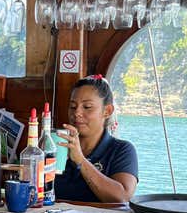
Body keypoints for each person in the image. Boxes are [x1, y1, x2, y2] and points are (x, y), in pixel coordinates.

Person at [54, 75, 138, 203]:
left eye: (87, 107)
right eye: (72, 106)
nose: (77, 113)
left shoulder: (122, 150)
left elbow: (122, 198)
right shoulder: (58, 145)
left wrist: (80, 160)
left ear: (107, 111)